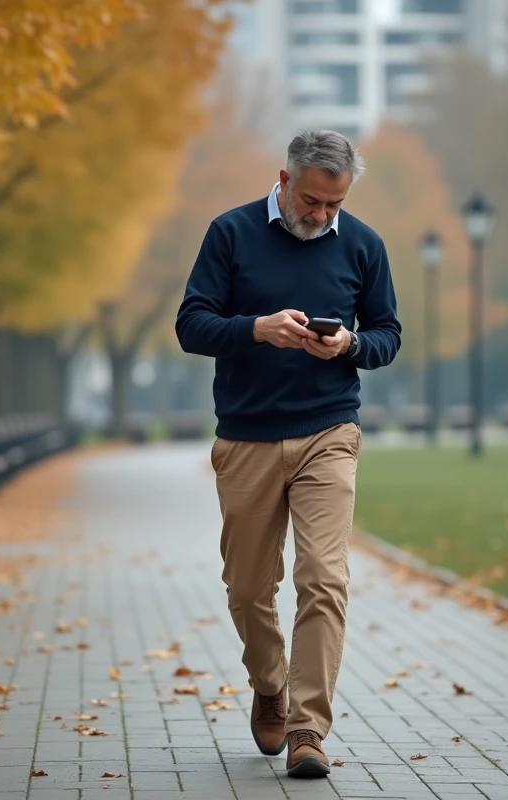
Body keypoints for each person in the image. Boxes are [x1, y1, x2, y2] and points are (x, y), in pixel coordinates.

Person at [175, 129, 401, 779]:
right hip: (246, 433)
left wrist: (351, 345)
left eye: (333, 204)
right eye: (311, 201)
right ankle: (269, 683)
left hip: (328, 432)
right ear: (284, 178)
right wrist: (257, 328)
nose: (321, 216)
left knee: (323, 579)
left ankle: (307, 727)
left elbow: (388, 335)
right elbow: (192, 325)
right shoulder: (230, 233)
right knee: (248, 589)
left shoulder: (363, 245)